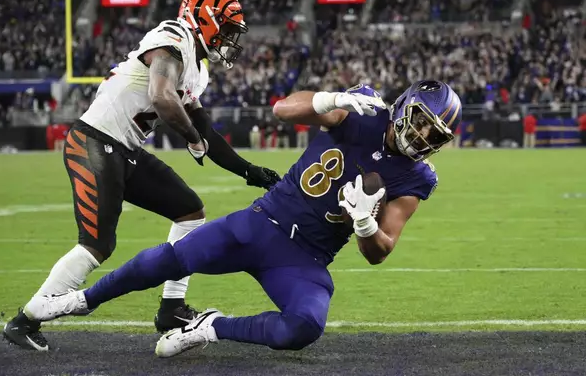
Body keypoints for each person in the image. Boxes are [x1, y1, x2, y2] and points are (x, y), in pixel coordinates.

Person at [23, 81, 462, 356]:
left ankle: (210, 327)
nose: (422, 136)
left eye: (433, 135)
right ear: (405, 105)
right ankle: (81, 301)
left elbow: (380, 250)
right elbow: (282, 109)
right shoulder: (362, 109)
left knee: (304, 327)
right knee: (171, 260)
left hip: (304, 258)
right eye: (421, 122)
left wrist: (366, 225)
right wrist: (332, 99)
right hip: (261, 221)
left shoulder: (417, 176)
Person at [3, 0, 281, 351]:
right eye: (226, 28)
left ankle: (171, 309)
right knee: (97, 245)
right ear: (204, 19)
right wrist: (191, 138)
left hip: (125, 148)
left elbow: (207, 132)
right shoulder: (174, 37)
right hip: (93, 142)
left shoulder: (198, 68)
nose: (230, 38)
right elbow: (162, 97)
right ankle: (25, 321)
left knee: (189, 210)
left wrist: (250, 171)